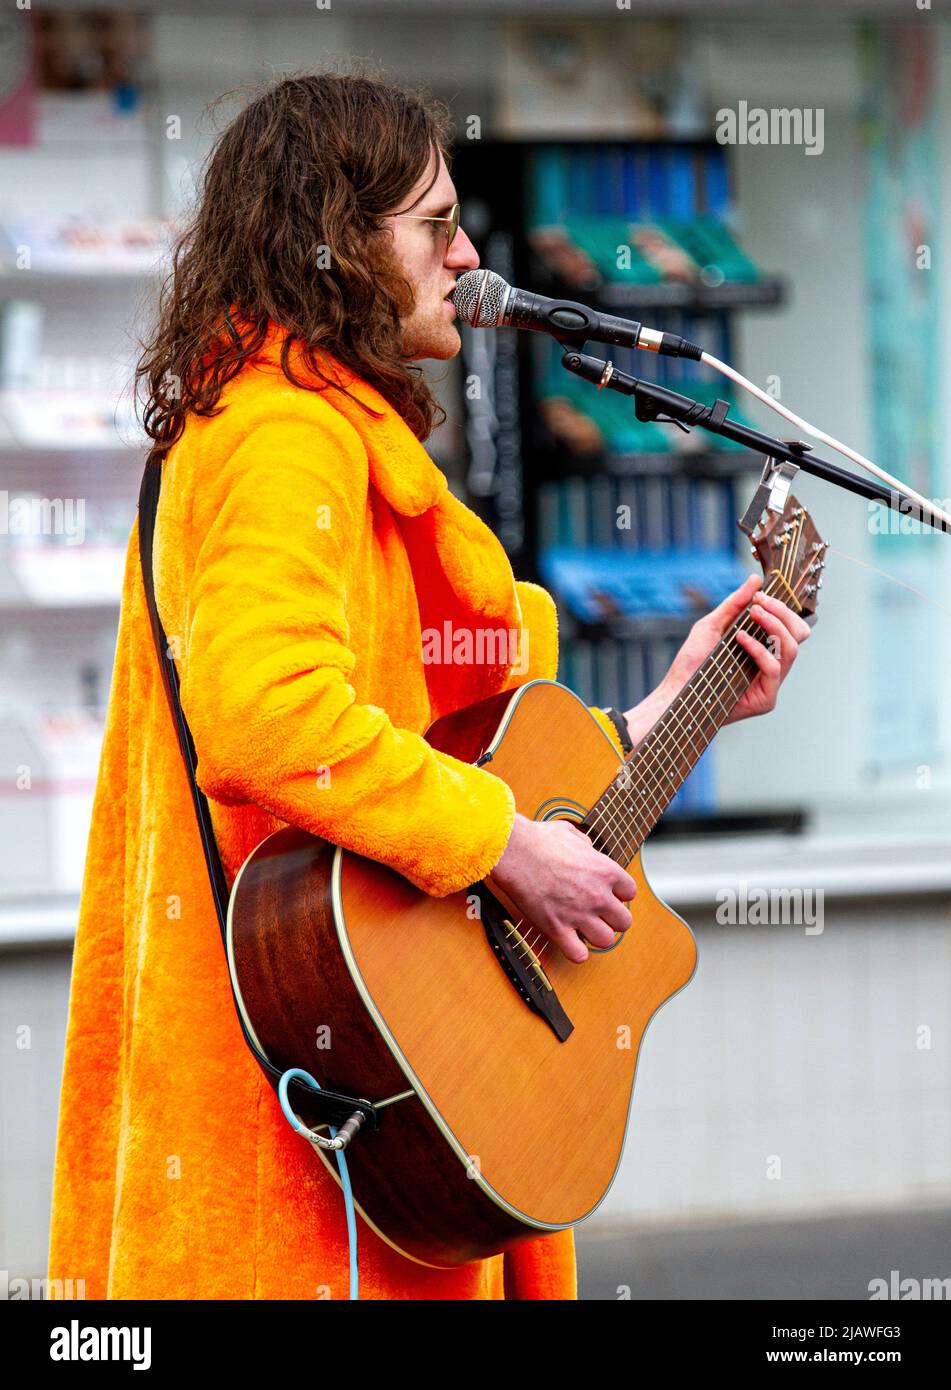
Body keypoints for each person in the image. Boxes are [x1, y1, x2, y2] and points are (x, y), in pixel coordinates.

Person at [47, 71, 809, 1302]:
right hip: (299, 1164)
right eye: (432, 225)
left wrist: (681, 705)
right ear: (337, 243)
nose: (464, 253)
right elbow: (266, 715)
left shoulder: (322, 427)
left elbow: (446, 752)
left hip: (372, 1111)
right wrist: (505, 847)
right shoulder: (279, 432)